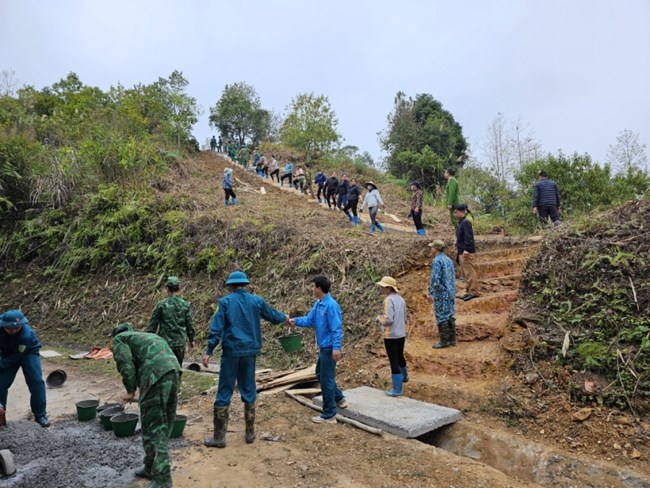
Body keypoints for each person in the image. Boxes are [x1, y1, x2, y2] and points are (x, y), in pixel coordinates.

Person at [202, 271, 289, 448]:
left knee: (224, 390)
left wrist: (209, 350)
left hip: (231, 352)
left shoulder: (225, 302)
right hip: (250, 352)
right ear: (245, 284)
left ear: (231, 286)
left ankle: (219, 438)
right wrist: (285, 318)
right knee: (249, 389)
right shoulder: (256, 301)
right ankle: (250, 433)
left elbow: (217, 328)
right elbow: (272, 315)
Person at [111, 323, 180, 488]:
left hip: (155, 376)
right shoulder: (144, 337)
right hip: (174, 371)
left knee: (154, 427)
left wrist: (130, 390)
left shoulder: (119, 339)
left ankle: (163, 479)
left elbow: (126, 365)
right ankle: (150, 467)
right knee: (164, 421)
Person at [290, 276, 345, 424]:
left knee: (326, 380)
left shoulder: (331, 306)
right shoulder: (318, 304)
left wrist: (336, 348)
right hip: (323, 347)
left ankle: (329, 415)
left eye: (313, 286)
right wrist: (294, 321)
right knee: (320, 373)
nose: (312, 289)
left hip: (329, 348)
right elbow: (309, 320)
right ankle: (339, 397)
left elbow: (336, 329)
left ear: (319, 289)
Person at [0, 310, 49, 428]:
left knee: (36, 381)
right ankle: (1, 416)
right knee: (1, 383)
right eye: (9, 328)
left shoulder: (26, 335)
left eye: (16, 328)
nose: (13, 331)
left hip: (27, 352)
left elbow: (17, 356)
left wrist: (1, 365)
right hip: (7, 352)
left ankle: (40, 415)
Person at [146, 276, 195, 368]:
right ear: (179, 288)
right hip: (180, 343)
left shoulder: (161, 304)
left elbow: (153, 325)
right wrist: (191, 339)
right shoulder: (185, 305)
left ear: (167, 288)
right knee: (177, 369)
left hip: (165, 344)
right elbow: (189, 324)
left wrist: (148, 339)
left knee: (165, 370)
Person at [373, 277, 408, 397]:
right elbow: (404, 317)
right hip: (401, 333)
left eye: (383, 287)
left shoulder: (388, 300)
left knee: (393, 360)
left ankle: (397, 389)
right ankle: (405, 376)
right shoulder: (401, 300)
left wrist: (379, 319)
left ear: (388, 288)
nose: (382, 289)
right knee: (400, 355)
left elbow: (388, 319)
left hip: (391, 335)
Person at [427, 240, 457, 348]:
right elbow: (453, 276)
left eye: (432, 247)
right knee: (449, 314)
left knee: (441, 316)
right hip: (450, 292)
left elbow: (435, 279)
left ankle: (444, 341)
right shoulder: (448, 260)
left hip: (441, 293)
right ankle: (452, 340)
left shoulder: (437, 261)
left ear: (436, 249)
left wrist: (431, 292)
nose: (431, 249)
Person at [454, 203, 479, 301]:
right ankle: (469, 291)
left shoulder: (466, 222)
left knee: (469, 272)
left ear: (461, 212)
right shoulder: (461, 223)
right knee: (465, 273)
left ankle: (474, 291)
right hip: (461, 251)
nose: (455, 214)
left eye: (456, 212)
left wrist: (467, 249)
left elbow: (469, 237)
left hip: (466, 252)